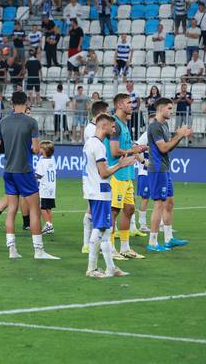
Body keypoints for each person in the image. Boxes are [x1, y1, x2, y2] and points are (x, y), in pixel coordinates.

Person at [0, 91, 59, 260]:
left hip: (8, 170)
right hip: (24, 170)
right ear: (26, 103)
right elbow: (36, 148)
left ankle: (12, 250)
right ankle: (38, 250)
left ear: (12, 103)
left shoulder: (3, 122)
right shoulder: (31, 122)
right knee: (34, 209)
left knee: (11, 210)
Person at [84, 113, 136, 278]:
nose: (114, 129)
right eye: (112, 126)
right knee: (100, 228)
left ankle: (111, 267)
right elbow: (104, 172)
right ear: (103, 126)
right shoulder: (99, 146)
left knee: (106, 230)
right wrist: (120, 165)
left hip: (96, 190)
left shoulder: (90, 143)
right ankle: (91, 269)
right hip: (99, 191)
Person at [104, 93, 148, 261]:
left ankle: (125, 248)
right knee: (113, 212)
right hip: (117, 175)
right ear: (120, 105)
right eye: (129, 102)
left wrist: (139, 156)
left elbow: (127, 149)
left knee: (129, 210)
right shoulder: (115, 125)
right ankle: (110, 249)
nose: (132, 105)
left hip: (127, 175)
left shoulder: (123, 124)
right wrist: (133, 150)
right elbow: (115, 152)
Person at [146, 98, 191, 252]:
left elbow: (169, 147)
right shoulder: (155, 127)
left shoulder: (164, 125)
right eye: (170, 108)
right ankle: (152, 242)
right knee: (158, 205)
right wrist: (178, 136)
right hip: (157, 169)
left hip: (165, 169)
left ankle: (168, 238)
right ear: (161, 109)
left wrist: (180, 135)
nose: (171, 111)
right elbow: (164, 148)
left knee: (169, 202)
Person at [81, 100, 110, 253]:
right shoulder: (92, 133)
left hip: (94, 178)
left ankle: (91, 246)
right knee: (99, 221)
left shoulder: (92, 132)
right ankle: (88, 245)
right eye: (107, 113)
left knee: (97, 217)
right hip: (96, 179)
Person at [134, 113, 154, 234]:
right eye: (152, 122)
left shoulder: (158, 136)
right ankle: (142, 224)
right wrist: (143, 161)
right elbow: (134, 148)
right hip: (145, 173)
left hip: (155, 173)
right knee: (145, 199)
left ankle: (162, 223)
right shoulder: (146, 135)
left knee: (160, 198)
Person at [35, 140, 56, 234]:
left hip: (44, 188)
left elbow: (38, 175)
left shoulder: (41, 162)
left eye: (40, 148)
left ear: (44, 150)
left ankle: (48, 225)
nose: (39, 149)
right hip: (52, 187)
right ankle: (50, 225)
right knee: (48, 208)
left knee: (42, 207)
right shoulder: (53, 160)